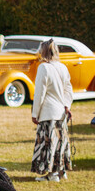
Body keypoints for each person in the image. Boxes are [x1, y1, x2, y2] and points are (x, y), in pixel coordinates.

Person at [31, 39, 73, 183]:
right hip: (61, 112)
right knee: (60, 143)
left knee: (48, 144)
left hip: (48, 112)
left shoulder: (44, 68)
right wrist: (67, 105)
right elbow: (68, 89)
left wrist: (34, 113)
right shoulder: (63, 67)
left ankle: (53, 175)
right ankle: (61, 171)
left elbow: (39, 93)